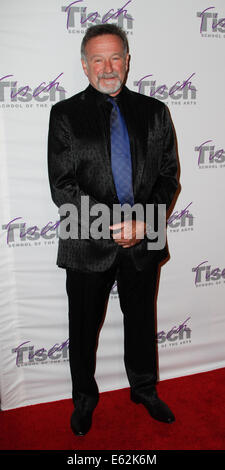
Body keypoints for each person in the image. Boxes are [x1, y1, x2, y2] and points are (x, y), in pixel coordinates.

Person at [48, 24, 179, 436]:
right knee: (83, 326)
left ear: (127, 60)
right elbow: (63, 186)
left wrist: (144, 223)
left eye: (115, 57)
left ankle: (143, 389)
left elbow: (168, 175)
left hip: (147, 233)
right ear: (85, 65)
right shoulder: (65, 114)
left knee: (142, 319)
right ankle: (84, 399)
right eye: (98, 59)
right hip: (85, 238)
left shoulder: (155, 111)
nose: (108, 67)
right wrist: (111, 226)